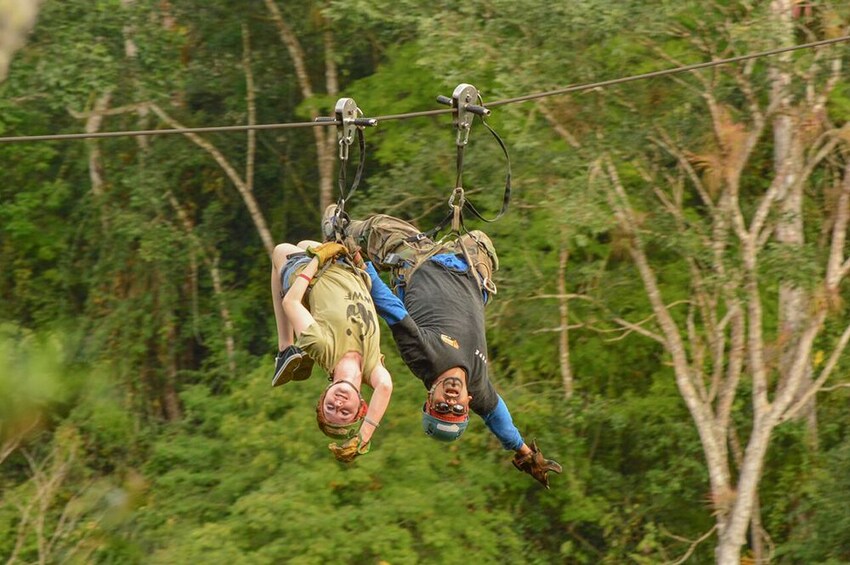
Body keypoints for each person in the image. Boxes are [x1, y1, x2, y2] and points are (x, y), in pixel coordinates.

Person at [325, 207, 562, 488]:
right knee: (482, 239)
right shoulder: (479, 389)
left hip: (419, 263)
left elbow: (390, 307)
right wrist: (524, 452)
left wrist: (360, 263)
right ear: (468, 404)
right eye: (456, 409)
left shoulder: (423, 359)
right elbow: (500, 422)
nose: (450, 401)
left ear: (430, 397)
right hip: (469, 267)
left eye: (441, 407)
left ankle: (340, 230)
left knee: (377, 229)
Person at [270, 239, 393, 462]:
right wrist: (363, 439)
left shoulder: (323, 349)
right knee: (304, 242)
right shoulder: (372, 369)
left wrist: (317, 260)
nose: (338, 404)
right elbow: (385, 387)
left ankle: (285, 347)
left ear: (324, 394)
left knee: (280, 252)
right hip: (349, 269)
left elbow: (290, 303)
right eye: (344, 412)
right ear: (361, 407)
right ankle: (290, 346)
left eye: (330, 407)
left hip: (313, 273)